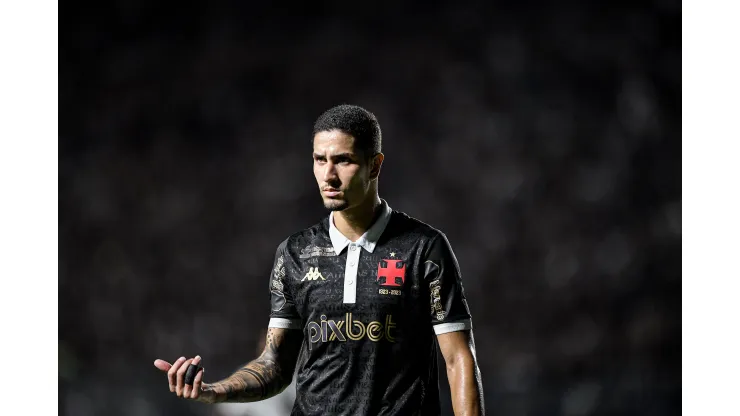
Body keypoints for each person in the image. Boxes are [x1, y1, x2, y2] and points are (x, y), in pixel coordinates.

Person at [154, 104, 485, 415]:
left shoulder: (423, 248)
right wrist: (213, 390)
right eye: (319, 159)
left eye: (343, 160)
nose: (328, 175)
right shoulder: (295, 252)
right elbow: (275, 365)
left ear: (375, 164)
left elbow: (458, 359)